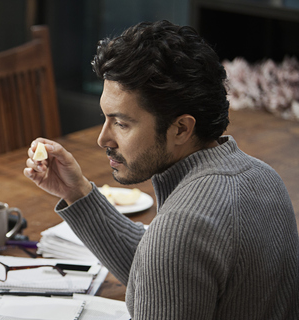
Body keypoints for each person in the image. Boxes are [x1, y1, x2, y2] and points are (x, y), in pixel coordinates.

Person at [24, 20, 299, 319]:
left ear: (181, 128)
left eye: (121, 123)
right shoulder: (265, 178)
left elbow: (169, 257)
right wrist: (76, 192)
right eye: (105, 118)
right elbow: (170, 280)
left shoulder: (180, 231)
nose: (103, 138)